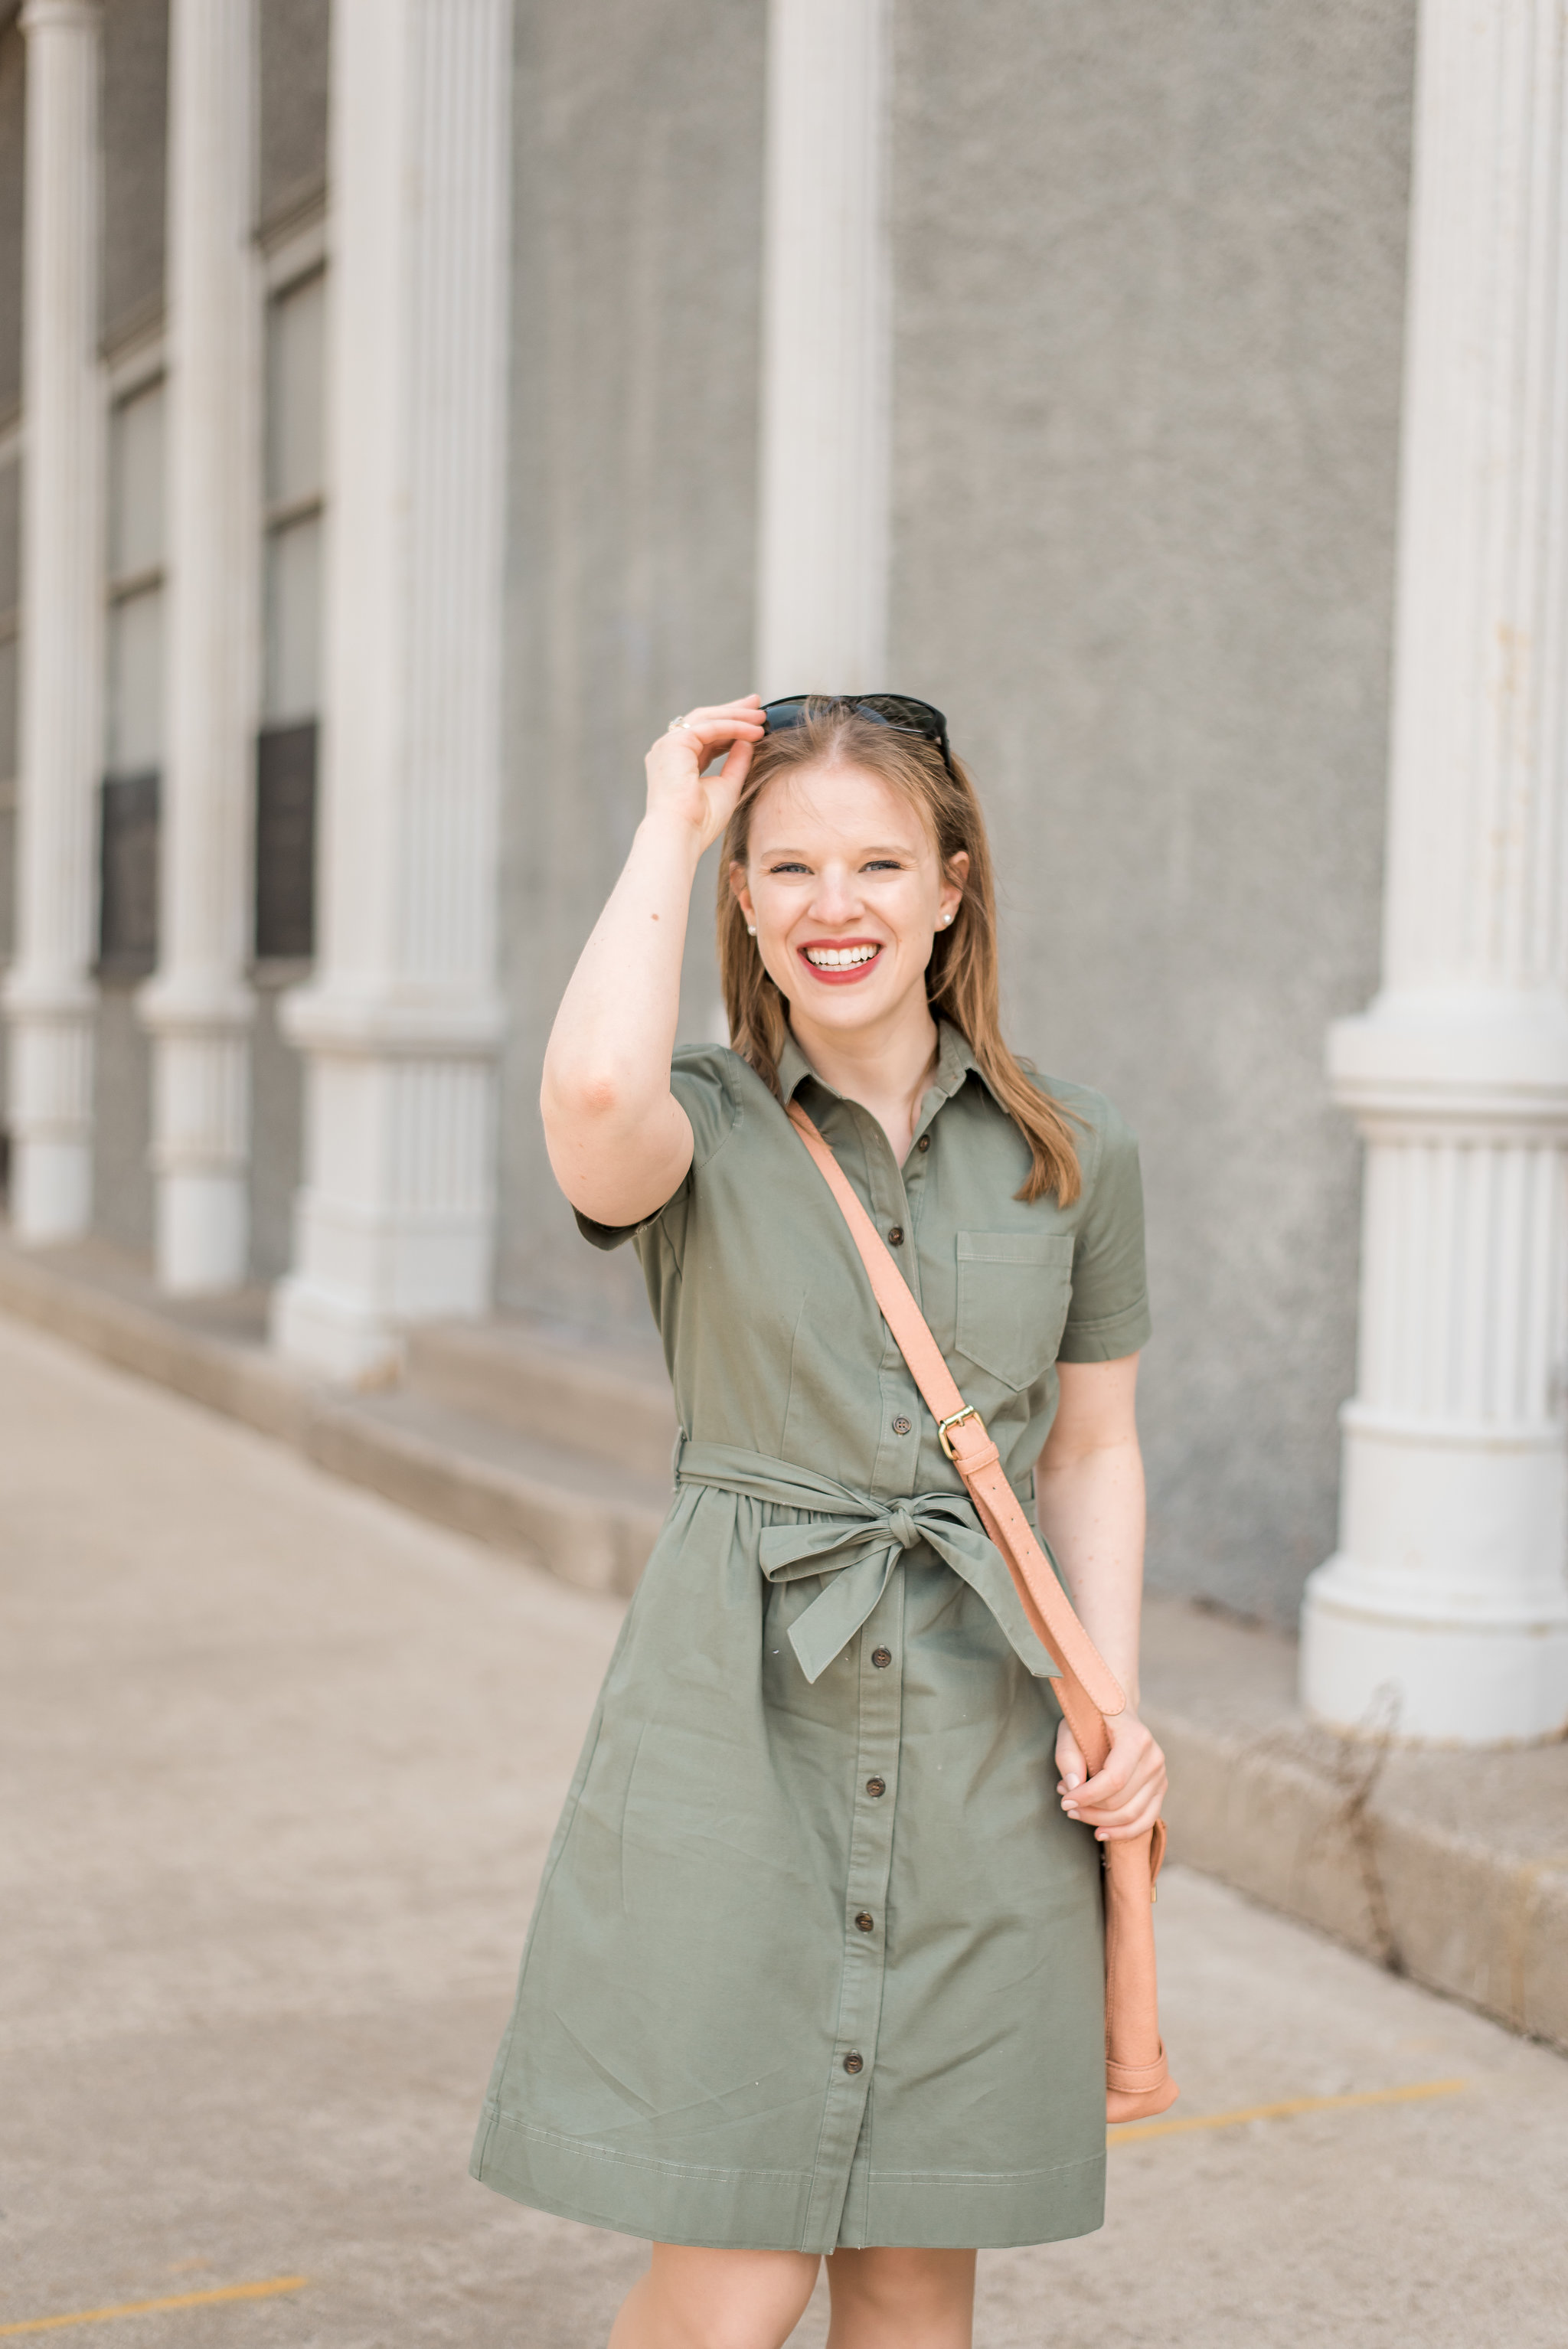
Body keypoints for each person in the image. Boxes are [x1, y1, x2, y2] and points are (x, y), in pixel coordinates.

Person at [472, 693, 1168, 2349]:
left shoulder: (1075, 1150)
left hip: (991, 1744)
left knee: (918, 2278)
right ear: (741, 902)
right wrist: (668, 822)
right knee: (735, 2275)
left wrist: (1113, 1705)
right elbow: (584, 1088)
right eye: (787, 869)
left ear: (951, 886)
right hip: (734, 1733)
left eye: (874, 863)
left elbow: (1089, 1452)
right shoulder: (695, 1124)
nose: (832, 905)